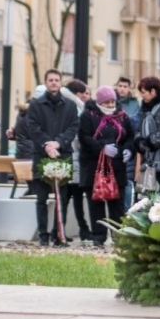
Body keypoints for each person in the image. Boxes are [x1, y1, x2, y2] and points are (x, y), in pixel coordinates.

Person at [26, 69, 80, 246]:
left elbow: (73, 127)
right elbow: (32, 127)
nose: (54, 82)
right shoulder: (36, 105)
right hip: (42, 155)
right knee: (41, 199)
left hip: (62, 155)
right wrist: (47, 145)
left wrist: (58, 143)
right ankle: (43, 235)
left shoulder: (70, 106)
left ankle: (59, 234)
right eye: (51, 80)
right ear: (45, 82)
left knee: (62, 199)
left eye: (57, 80)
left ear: (61, 82)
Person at [78, 86, 135, 247]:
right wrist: (101, 147)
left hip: (117, 166)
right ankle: (98, 235)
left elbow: (130, 136)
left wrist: (128, 150)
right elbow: (84, 136)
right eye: (107, 102)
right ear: (100, 102)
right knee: (96, 203)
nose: (111, 105)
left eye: (113, 101)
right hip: (94, 166)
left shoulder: (123, 116)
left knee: (117, 203)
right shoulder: (88, 115)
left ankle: (118, 235)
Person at [61, 79, 92, 239]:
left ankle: (79, 229)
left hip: (73, 158)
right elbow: (77, 135)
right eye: (83, 94)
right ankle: (67, 230)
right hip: (72, 157)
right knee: (69, 197)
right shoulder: (76, 108)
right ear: (77, 94)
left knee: (74, 197)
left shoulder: (69, 105)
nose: (85, 97)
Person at [115, 77, 140, 209]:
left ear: (130, 88)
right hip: (115, 146)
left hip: (130, 147)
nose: (122, 89)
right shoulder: (112, 102)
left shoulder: (135, 104)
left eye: (125, 86)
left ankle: (128, 211)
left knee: (129, 182)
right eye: (120, 86)